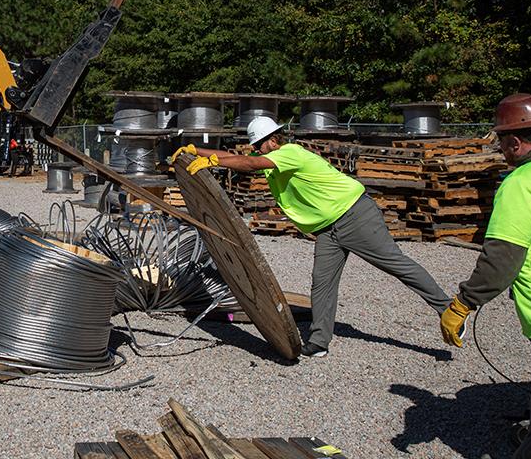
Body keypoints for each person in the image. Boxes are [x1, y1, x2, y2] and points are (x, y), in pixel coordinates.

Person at [171, 115, 451, 357]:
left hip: (354, 215)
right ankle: (318, 343)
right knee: (322, 283)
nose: (256, 150)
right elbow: (238, 158)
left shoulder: (290, 152)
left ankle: (447, 308)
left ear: (272, 139)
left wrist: (213, 163)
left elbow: (249, 163)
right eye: (255, 147)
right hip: (328, 228)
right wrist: (198, 152)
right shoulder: (272, 155)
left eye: (259, 145)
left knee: (394, 263)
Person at [440, 93, 531, 458]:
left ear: (514, 141)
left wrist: (463, 303)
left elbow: (502, 259)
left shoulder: (521, 184)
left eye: (500, 140)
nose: (499, 148)